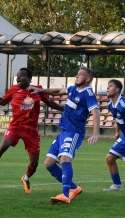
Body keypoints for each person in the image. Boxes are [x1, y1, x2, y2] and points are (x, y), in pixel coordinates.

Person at [0, 68, 63, 194]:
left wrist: (64, 109)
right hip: (16, 126)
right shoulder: (13, 89)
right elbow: (2, 102)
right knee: (4, 144)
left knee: (34, 163)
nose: (18, 78)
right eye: (17, 76)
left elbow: (49, 103)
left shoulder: (38, 90)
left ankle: (26, 178)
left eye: (21, 76)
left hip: (31, 131)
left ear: (29, 78)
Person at [31, 67, 100, 203]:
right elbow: (57, 91)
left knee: (64, 159)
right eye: (77, 73)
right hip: (64, 131)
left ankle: (65, 194)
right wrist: (40, 90)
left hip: (74, 131)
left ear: (87, 79)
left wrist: (95, 133)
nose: (76, 76)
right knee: (48, 163)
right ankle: (74, 188)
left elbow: (96, 112)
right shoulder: (73, 89)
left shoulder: (88, 93)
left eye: (80, 74)